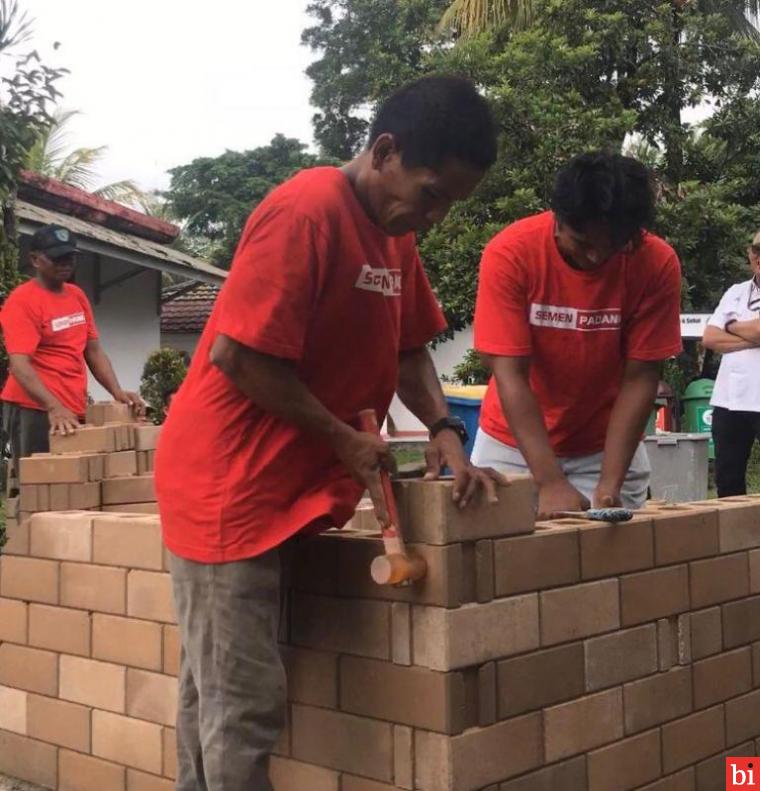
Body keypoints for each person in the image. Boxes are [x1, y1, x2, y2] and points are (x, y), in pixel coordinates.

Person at [154, 75, 505, 791]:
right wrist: (343, 440)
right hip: (228, 487)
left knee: (214, 691)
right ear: (384, 151)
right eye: (432, 193)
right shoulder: (306, 212)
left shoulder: (394, 233)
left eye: (450, 203)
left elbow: (409, 347)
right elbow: (238, 356)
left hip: (280, 486)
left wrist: (441, 425)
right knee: (242, 704)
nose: (436, 216)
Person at [471, 151, 683, 518]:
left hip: (607, 447)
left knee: (616, 566)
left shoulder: (656, 263)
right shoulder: (511, 254)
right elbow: (510, 375)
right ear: (558, 219)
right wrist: (550, 482)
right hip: (512, 447)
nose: (596, 258)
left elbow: (641, 377)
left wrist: (609, 487)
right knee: (504, 566)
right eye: (582, 243)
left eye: (613, 246)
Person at [0, 224, 144, 477]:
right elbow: (19, 365)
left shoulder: (76, 295)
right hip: (34, 408)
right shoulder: (22, 302)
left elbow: (94, 351)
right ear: (35, 259)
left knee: (73, 484)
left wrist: (117, 391)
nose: (65, 263)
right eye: (57, 257)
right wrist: (53, 407)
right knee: (40, 485)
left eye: (70, 257)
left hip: (71, 405)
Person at [702, 230, 760, 496]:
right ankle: (736, 537)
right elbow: (711, 338)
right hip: (730, 401)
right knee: (728, 481)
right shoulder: (736, 292)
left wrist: (732, 325)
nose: (759, 257)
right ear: (750, 255)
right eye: (756, 251)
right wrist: (751, 337)